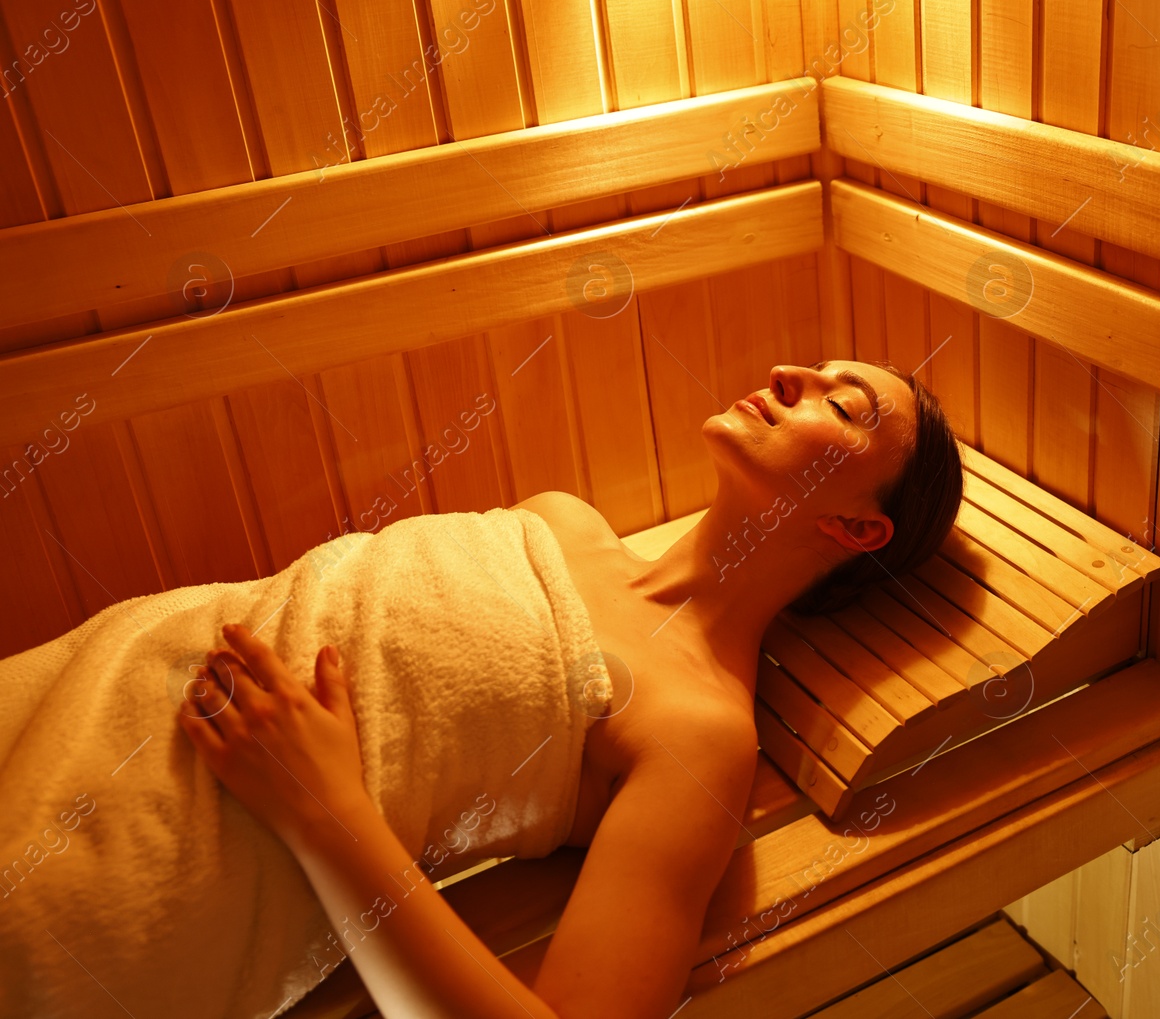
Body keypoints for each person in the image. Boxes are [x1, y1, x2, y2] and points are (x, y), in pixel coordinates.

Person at [178, 358, 966, 1019]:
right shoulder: (560, 519)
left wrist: (325, 812)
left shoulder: (700, 729)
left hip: (188, 823)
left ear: (858, 528)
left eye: (842, 403)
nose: (789, 373)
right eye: (814, 366)